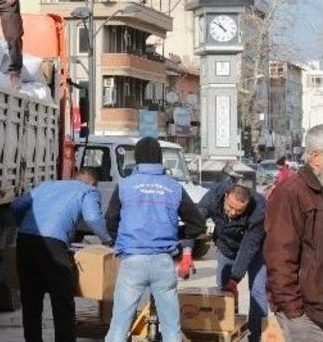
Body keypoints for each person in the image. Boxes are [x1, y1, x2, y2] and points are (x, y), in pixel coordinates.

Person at [104, 138, 206, 342]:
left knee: (118, 327)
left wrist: (122, 239)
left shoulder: (124, 186)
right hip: (163, 261)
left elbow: (110, 220)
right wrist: (176, 236)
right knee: (171, 329)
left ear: (137, 159)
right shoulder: (173, 187)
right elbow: (197, 223)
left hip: (132, 260)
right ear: (160, 159)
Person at [10, 168, 112, 342]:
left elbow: (16, 205)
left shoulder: (48, 185)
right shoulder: (88, 190)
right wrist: (107, 240)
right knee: (62, 300)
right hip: (53, 245)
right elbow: (93, 218)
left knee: (31, 299)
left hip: (25, 240)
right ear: (93, 183)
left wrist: (24, 225)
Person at [264, 125, 323, 341]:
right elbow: (280, 258)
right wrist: (294, 312)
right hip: (306, 315)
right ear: (315, 157)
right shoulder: (290, 193)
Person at [198, 181, 268, 342]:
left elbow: (249, 246)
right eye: (230, 207)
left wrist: (235, 277)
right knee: (223, 289)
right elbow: (197, 216)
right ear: (225, 197)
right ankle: (225, 328)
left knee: (258, 291)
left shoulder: (259, 208)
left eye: (239, 210)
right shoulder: (214, 196)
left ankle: (256, 335)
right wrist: (188, 248)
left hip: (256, 250)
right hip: (226, 246)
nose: (233, 213)